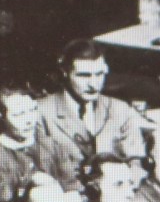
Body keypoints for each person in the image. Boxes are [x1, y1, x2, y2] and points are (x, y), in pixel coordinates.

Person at [35, 39, 146, 192]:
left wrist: (127, 182)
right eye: (84, 75)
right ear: (65, 72)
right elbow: (43, 170)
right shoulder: (41, 112)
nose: (94, 84)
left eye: (99, 74)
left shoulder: (120, 109)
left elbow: (136, 160)